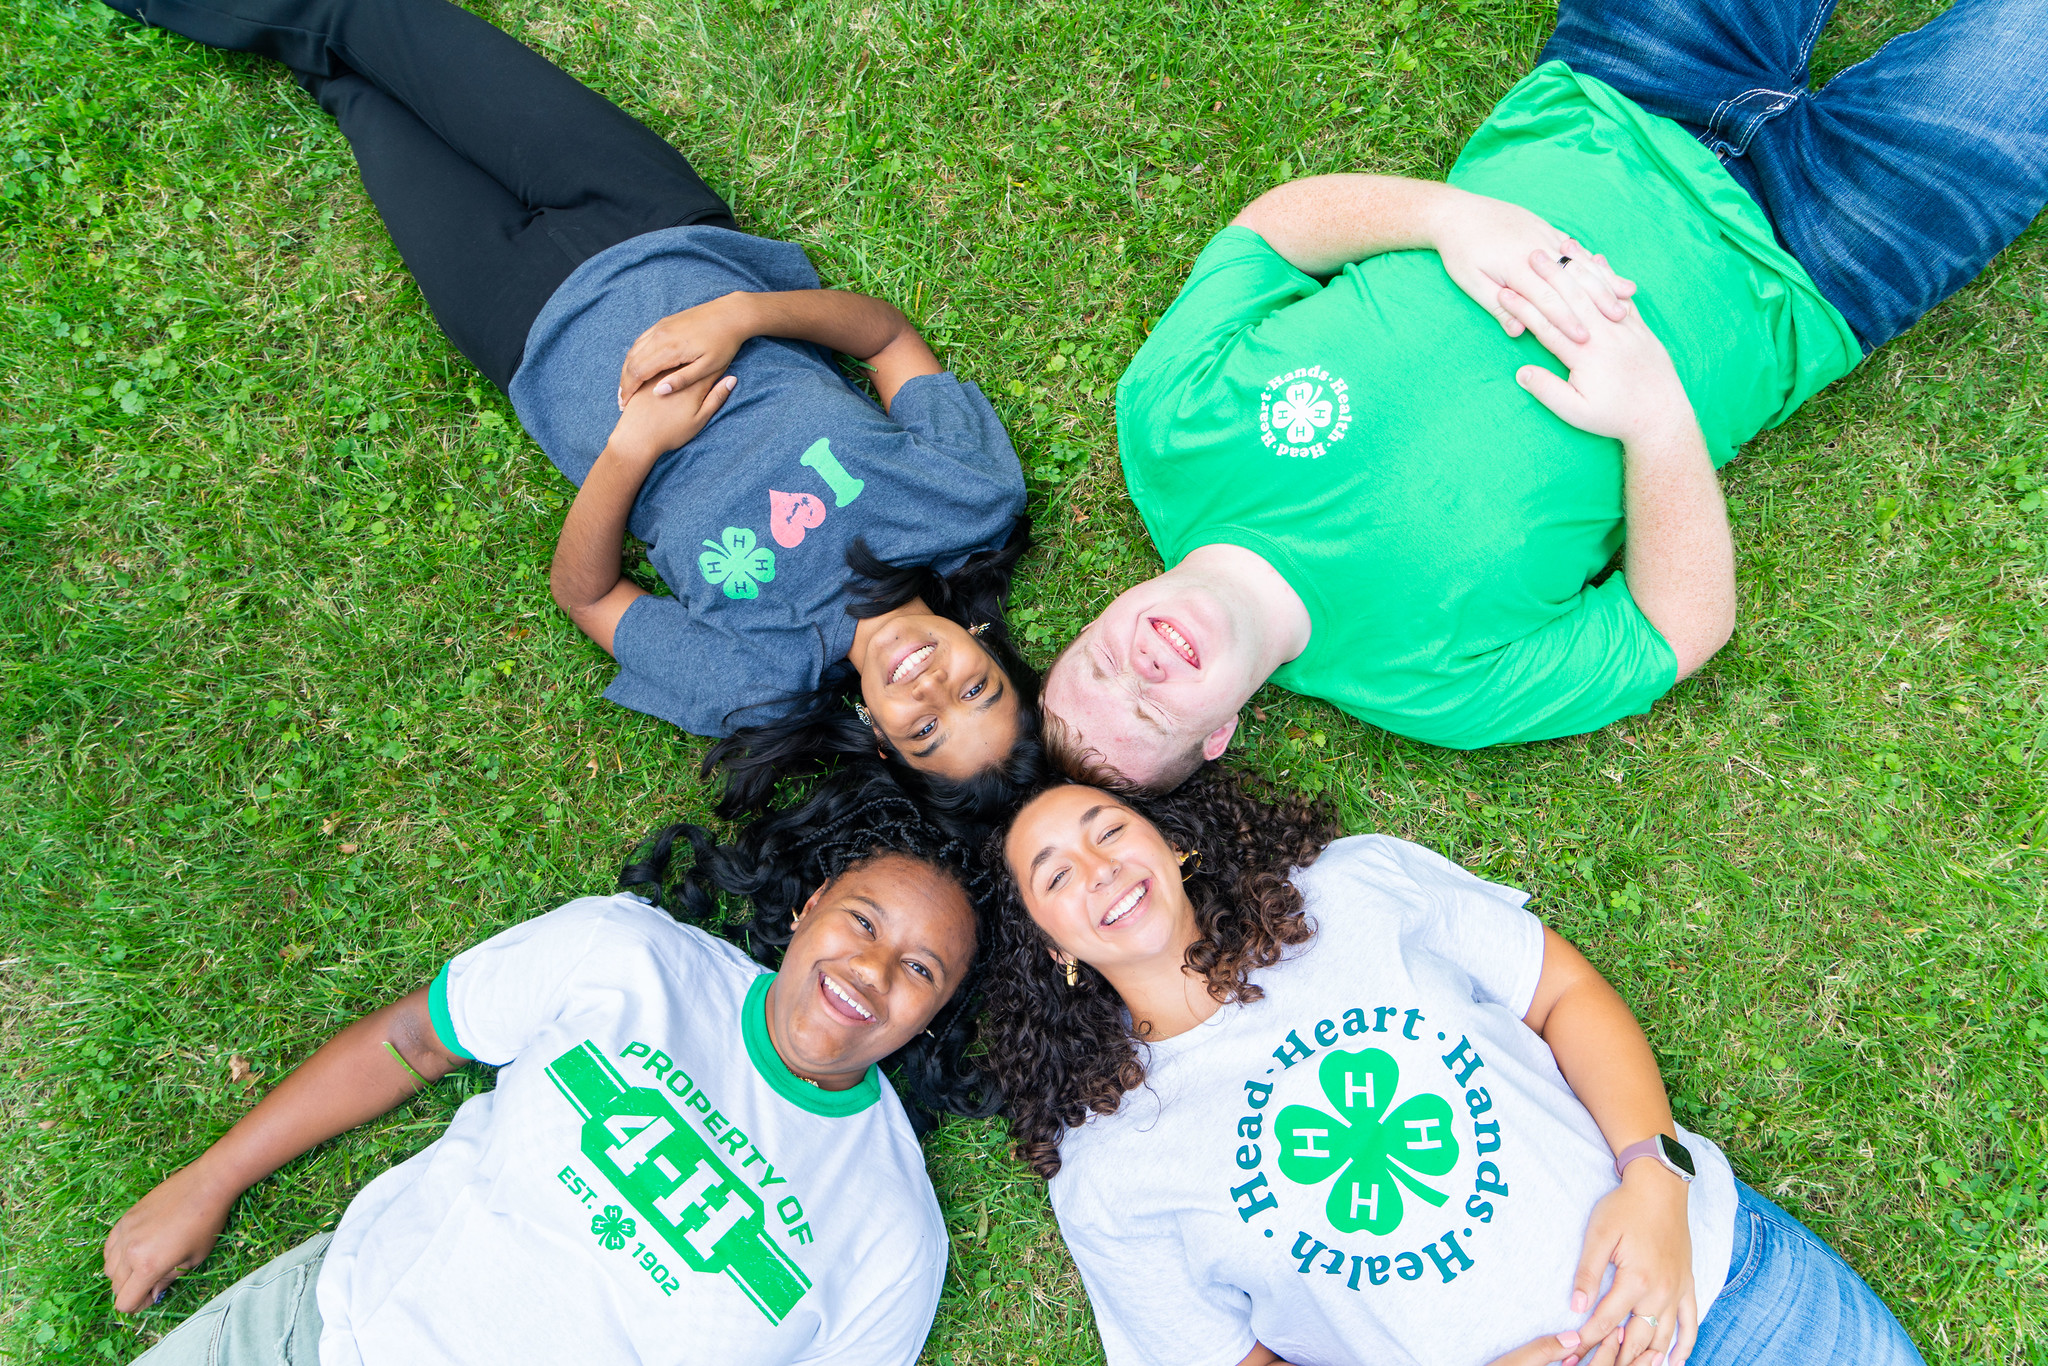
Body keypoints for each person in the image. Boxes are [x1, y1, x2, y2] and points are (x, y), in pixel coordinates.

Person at [1040, 0, 2048, 788]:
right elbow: (1676, 632)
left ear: (1098, 616)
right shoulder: (1427, 687)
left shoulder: (1165, 430)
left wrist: (1448, 220)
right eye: (1150, 720)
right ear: (1217, 735)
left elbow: (1270, 235)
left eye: (1096, 669)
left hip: (1627, 79)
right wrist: (1654, 418)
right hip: (1822, 255)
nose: (1139, 674)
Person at [98, 0, 1044, 823]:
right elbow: (883, 339)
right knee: (372, 17)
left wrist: (632, 449)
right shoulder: (964, 500)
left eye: (926, 728)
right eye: (976, 688)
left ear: (881, 742)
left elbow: (587, 596)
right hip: (655, 223)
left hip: (517, 323)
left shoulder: (757, 680)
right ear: (989, 646)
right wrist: (743, 313)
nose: (930, 684)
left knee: (345, 87)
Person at [980, 770, 1925, 1366]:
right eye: (1056, 875)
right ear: (1052, 950)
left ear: (1171, 842)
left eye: (1107, 829)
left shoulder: (1347, 892)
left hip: (1725, 1299)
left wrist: (1656, 1179)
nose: (1097, 867)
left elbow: (1561, 993)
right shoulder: (1107, 1170)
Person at [101, 764, 993, 1364]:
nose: (872, 973)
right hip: (327, 1336)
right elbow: (417, 1038)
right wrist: (209, 1180)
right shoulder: (627, 957)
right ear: (807, 911)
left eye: (921, 969)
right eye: (863, 922)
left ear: (936, 1013)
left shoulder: (893, 1231)